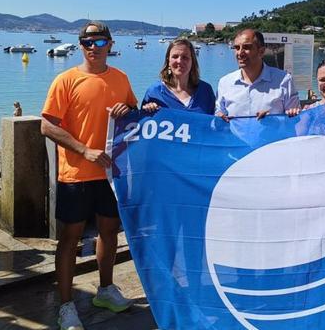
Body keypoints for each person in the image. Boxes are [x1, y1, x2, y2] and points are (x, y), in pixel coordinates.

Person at [41, 21, 138, 330]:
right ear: (80, 45)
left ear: (110, 44)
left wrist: (130, 108)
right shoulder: (65, 80)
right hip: (76, 173)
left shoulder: (121, 78)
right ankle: (66, 306)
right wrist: (84, 150)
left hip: (111, 173)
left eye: (99, 42)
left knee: (109, 234)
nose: (93, 48)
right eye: (87, 43)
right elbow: (47, 125)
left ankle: (106, 289)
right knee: (69, 239)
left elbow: (133, 114)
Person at [216, 29, 299, 120]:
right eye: (237, 48)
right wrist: (219, 117)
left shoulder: (284, 80)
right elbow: (218, 115)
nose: (240, 53)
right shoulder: (225, 83)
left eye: (246, 47)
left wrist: (273, 120)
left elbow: (295, 121)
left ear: (261, 51)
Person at [141, 38, 215, 114]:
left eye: (185, 57)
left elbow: (213, 122)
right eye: (175, 56)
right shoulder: (154, 91)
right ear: (168, 61)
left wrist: (220, 118)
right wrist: (147, 109)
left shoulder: (206, 90)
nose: (179, 61)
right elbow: (141, 122)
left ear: (192, 61)